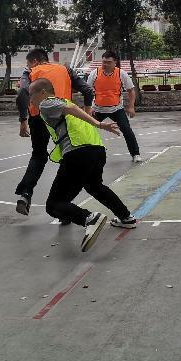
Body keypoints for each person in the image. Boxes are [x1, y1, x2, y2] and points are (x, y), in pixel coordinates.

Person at [28, 78, 137, 252]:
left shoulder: (47, 103)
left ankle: (89, 218)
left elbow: (69, 110)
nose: (30, 99)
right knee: (95, 186)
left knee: (54, 204)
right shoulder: (65, 101)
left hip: (78, 153)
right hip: (97, 150)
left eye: (31, 94)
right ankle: (126, 217)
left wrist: (98, 123)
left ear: (42, 92)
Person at [14, 48, 95, 216]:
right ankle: (64, 203)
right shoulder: (65, 69)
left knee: (38, 155)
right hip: (63, 118)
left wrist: (23, 120)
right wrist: (87, 110)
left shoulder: (30, 72)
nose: (28, 66)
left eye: (28, 63)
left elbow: (22, 92)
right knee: (68, 156)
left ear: (34, 61)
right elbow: (88, 90)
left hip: (38, 117)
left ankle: (26, 194)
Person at [86, 50, 142, 163]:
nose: (105, 64)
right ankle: (85, 154)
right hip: (97, 109)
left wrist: (131, 107)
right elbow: (87, 92)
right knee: (86, 129)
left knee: (127, 130)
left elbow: (131, 90)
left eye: (108, 62)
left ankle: (135, 154)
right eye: (104, 62)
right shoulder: (94, 73)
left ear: (115, 62)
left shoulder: (121, 74)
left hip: (116, 109)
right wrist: (88, 108)